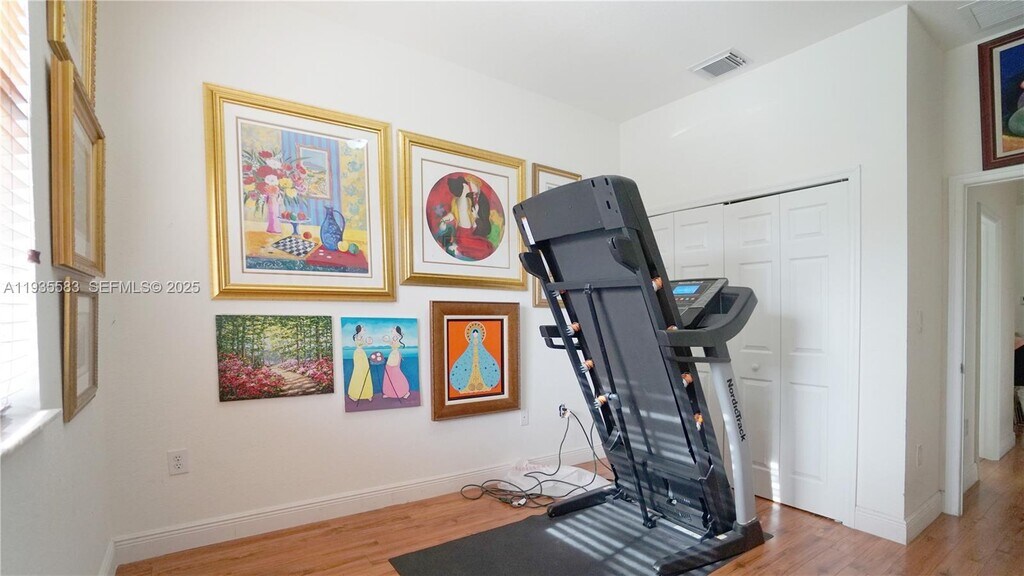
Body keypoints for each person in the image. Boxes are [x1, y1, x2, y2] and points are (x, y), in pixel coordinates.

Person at [439, 176, 495, 261]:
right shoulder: (461, 201)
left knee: (488, 246)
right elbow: (454, 214)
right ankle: (458, 248)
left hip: (468, 235)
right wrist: (444, 220)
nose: (470, 190)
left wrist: (475, 217)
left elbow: (483, 227)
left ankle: (457, 247)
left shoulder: (475, 202)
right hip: (463, 237)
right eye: (467, 186)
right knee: (486, 249)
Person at [449, 322, 501, 393]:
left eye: (476, 333)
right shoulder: (470, 345)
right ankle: (470, 385)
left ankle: (481, 384)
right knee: (470, 371)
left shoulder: (480, 345)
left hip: (480, 360)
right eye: (474, 333)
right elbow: (468, 352)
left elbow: (482, 351)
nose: (475, 334)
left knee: (481, 370)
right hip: (471, 360)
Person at [382, 326, 412, 399]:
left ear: (397, 331)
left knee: (395, 372)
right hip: (392, 354)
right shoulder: (394, 338)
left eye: (394, 328)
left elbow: (394, 344)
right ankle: (389, 392)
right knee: (389, 371)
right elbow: (392, 343)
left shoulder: (397, 337)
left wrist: (388, 341)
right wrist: (387, 341)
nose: (392, 329)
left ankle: (404, 391)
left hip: (395, 355)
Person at [347, 325, 373, 403]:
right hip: (358, 354)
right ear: (360, 330)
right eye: (363, 329)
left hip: (362, 353)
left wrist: (368, 342)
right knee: (358, 373)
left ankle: (367, 394)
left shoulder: (361, 337)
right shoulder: (357, 337)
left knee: (365, 372)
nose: (364, 330)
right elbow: (360, 344)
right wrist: (367, 342)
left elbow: (364, 344)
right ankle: (355, 394)